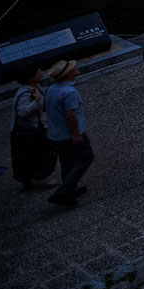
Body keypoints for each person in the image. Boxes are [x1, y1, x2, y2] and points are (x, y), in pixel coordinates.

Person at [43, 60, 92, 207]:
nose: (76, 68)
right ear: (68, 74)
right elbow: (71, 115)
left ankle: (69, 191)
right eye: (73, 68)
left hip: (55, 135)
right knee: (85, 159)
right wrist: (76, 134)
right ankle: (62, 192)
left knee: (67, 163)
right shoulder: (70, 92)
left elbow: (45, 108)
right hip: (69, 135)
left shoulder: (51, 89)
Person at [10, 70, 56, 191]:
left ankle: (28, 180)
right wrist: (36, 102)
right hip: (31, 131)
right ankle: (41, 177)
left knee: (29, 157)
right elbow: (22, 112)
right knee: (45, 152)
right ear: (31, 77)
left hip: (33, 129)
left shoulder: (36, 87)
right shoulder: (26, 93)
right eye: (38, 71)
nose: (42, 72)